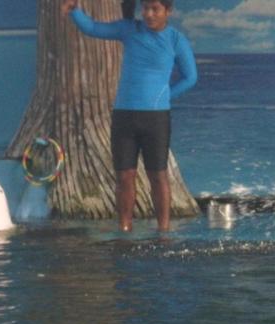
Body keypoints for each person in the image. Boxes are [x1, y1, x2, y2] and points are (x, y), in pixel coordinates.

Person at [62, 0, 197, 232]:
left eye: (155, 9)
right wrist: (75, 10)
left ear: (168, 11)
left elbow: (190, 77)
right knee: (125, 175)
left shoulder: (176, 40)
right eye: (145, 8)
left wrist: (165, 96)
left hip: (156, 118)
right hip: (124, 116)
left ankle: (163, 230)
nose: (149, 14)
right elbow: (93, 28)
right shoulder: (129, 29)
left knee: (158, 176)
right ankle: (125, 227)